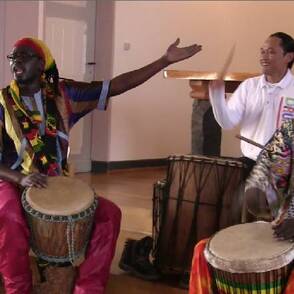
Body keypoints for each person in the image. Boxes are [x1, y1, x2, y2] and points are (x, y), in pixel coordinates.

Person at [0, 37, 201, 294]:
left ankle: (88, 288)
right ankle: (18, 289)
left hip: (54, 183)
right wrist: (20, 179)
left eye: (24, 56)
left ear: (41, 65)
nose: (16, 62)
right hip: (12, 180)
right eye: (13, 57)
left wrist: (163, 61)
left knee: (110, 215)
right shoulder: (2, 102)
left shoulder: (64, 95)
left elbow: (114, 86)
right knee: (8, 214)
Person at [189, 118, 294, 294]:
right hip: (285, 228)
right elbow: (272, 162)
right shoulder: (291, 130)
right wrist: (259, 187)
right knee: (202, 251)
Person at [209, 32, 294, 175]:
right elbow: (227, 122)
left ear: (289, 57)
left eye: (271, 52)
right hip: (251, 162)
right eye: (262, 52)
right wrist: (217, 97)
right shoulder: (249, 86)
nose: (264, 57)